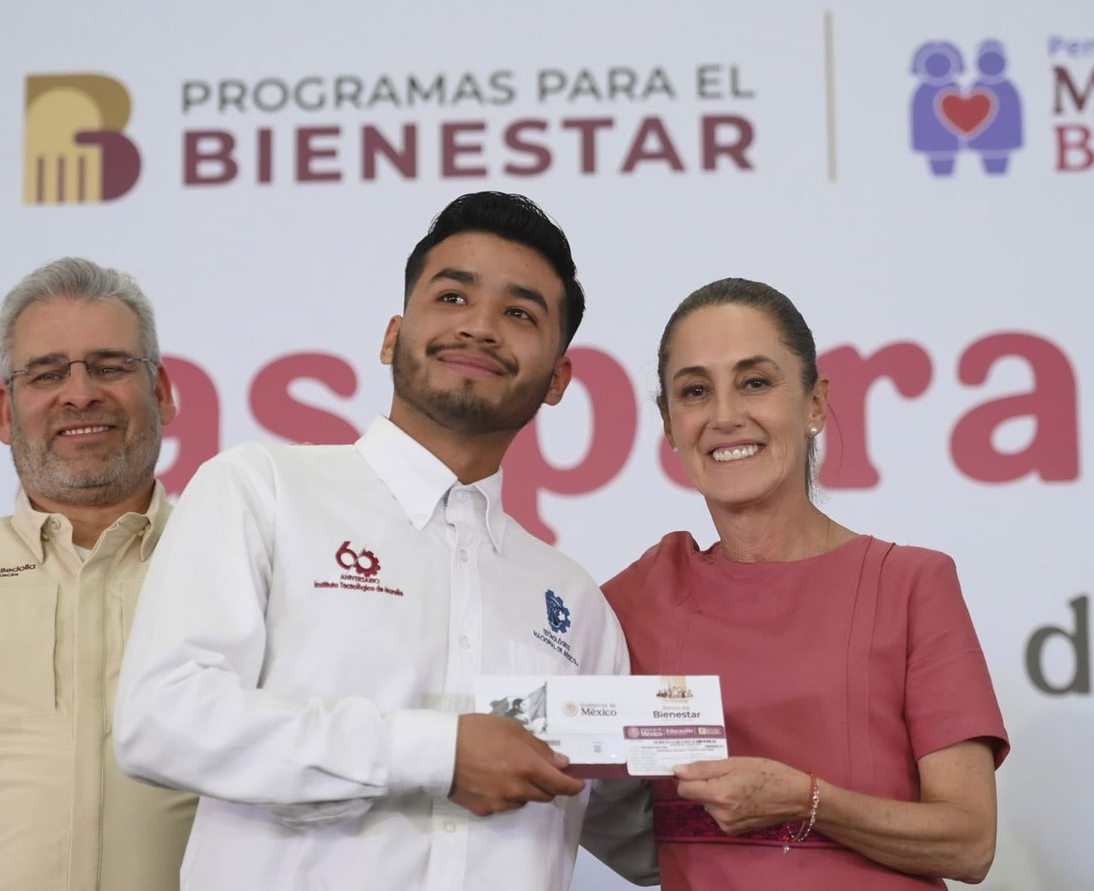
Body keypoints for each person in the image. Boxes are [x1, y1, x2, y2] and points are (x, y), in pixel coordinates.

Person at [113, 192, 627, 891]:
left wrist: (744, 786)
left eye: (519, 314)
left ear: (558, 379)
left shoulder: (572, 597)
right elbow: (161, 720)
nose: (479, 327)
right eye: (452, 296)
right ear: (392, 338)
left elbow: (629, 831)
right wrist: (436, 753)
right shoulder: (264, 489)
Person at [588, 278, 1008, 889]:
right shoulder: (632, 602)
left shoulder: (912, 585)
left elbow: (969, 843)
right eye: (696, 391)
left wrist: (807, 801)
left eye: (755, 382)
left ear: (814, 404)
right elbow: (554, 767)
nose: (725, 416)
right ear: (669, 425)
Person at [0, 257, 197, 891]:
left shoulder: (236, 568)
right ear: (5, 412)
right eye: (47, 373)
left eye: (109, 367)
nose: (80, 393)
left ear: (163, 392)